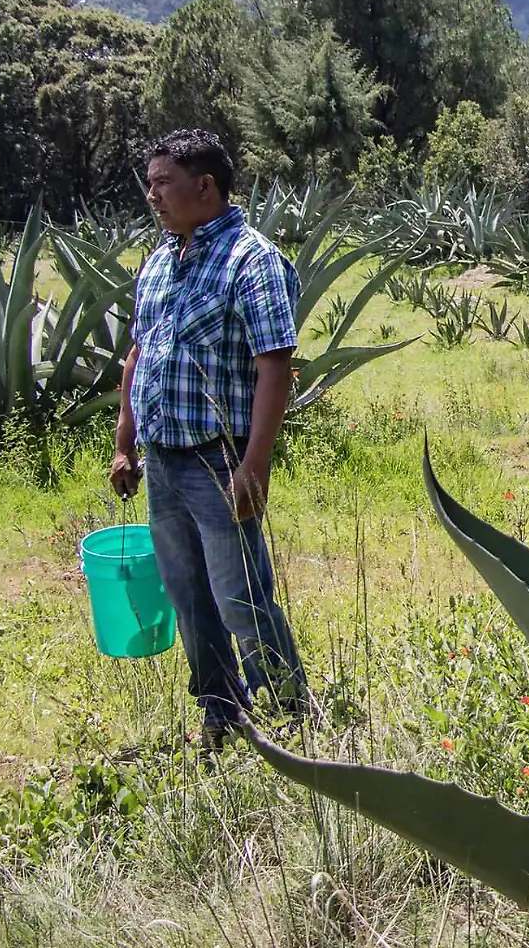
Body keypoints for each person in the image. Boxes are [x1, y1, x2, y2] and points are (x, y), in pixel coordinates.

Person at [110, 128, 308, 753]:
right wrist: (125, 443)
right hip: (164, 463)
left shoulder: (253, 261)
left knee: (240, 596)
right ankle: (221, 712)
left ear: (206, 186)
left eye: (163, 182)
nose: (152, 196)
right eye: (150, 183)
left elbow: (274, 361)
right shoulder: (160, 262)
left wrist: (255, 465)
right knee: (188, 596)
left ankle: (289, 713)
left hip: (219, 459)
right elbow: (139, 352)